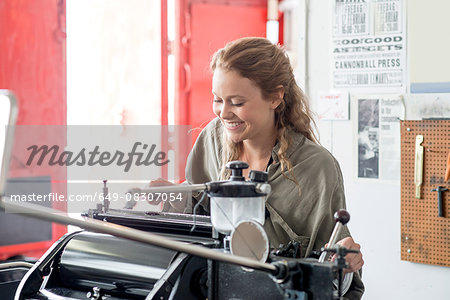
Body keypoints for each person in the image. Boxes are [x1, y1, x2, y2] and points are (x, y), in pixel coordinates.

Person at [155, 37, 364, 299]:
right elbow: (193, 217)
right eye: (218, 99)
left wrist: (344, 264)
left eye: (237, 102)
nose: (223, 113)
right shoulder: (211, 139)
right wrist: (170, 195)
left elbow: (333, 280)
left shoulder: (317, 168)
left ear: (276, 97)